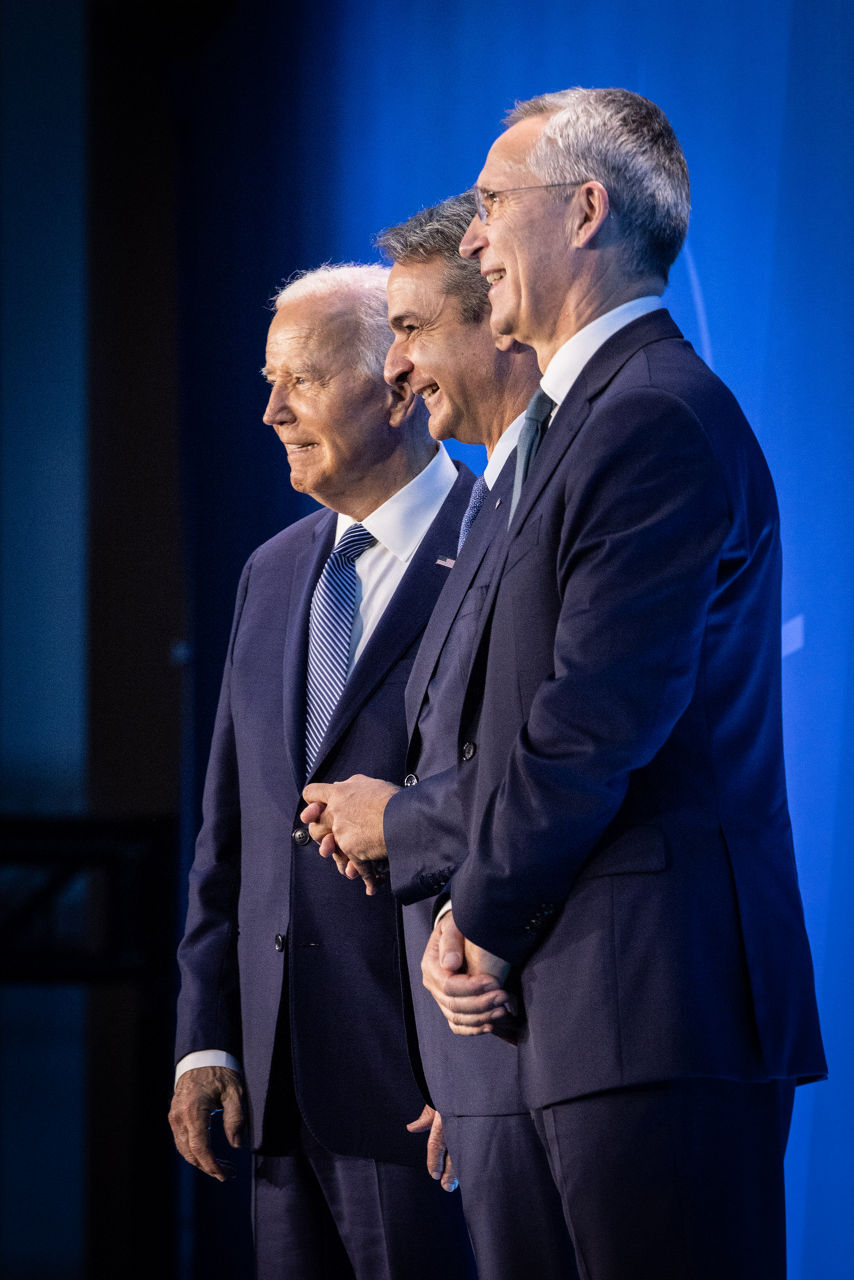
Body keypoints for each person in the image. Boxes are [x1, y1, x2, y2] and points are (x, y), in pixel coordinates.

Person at [303, 90, 827, 1279]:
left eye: (492, 204)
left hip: (647, 1012)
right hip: (540, 1025)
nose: (474, 238)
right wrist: (455, 917)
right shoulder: (551, 432)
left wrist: (474, 917)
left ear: (584, 211)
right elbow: (481, 723)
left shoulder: (654, 420)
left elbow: (589, 728)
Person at [169, 264, 477, 1280]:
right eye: (268, 380)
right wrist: (206, 1037)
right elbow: (231, 829)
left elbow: (523, 807)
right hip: (273, 1090)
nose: (269, 411)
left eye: (298, 380)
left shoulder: (496, 546)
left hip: (422, 1092)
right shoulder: (270, 569)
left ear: (395, 384)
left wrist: (475, 1072)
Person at [367, 192, 577, 1278]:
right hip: (489, 1035)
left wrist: (404, 829)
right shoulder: (489, 500)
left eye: (408, 329)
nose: (391, 368)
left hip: (562, 1006)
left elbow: (564, 745)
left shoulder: (590, 463)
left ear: (491, 316)